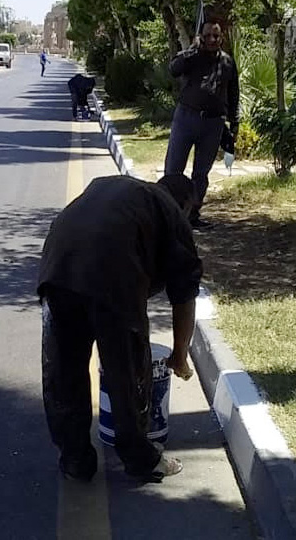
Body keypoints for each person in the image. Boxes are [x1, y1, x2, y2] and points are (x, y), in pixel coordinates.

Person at [38, 173, 203, 482]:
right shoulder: (172, 212)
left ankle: (74, 458)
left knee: (64, 369)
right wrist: (180, 354)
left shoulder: (119, 189)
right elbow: (185, 296)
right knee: (126, 369)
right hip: (111, 273)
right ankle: (142, 459)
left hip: (57, 267)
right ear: (186, 205)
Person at [164, 20, 240, 230]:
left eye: (215, 36)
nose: (212, 40)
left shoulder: (227, 63)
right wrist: (191, 50)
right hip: (186, 118)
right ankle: (169, 214)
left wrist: (235, 124)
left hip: (213, 124)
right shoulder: (192, 57)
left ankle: (192, 216)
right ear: (201, 37)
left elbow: (234, 94)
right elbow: (173, 69)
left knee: (201, 173)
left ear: (221, 38)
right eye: (207, 36)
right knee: (173, 170)